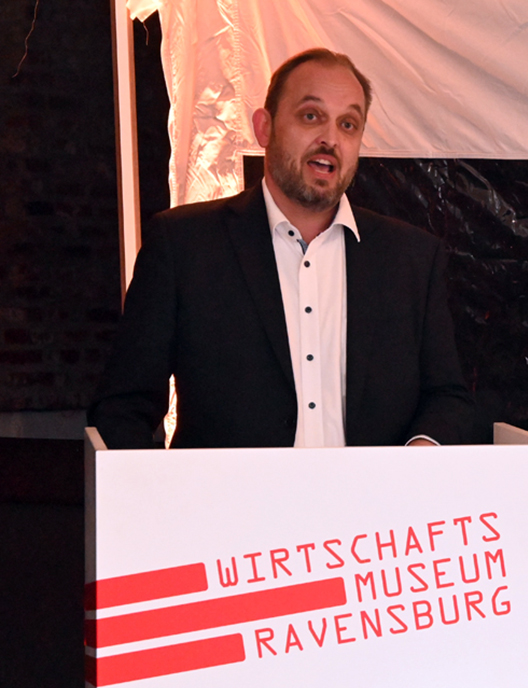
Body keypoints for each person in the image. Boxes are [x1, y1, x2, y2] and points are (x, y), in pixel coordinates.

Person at [88, 48, 473, 449]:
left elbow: (448, 398)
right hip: (227, 492)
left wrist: (419, 455)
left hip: (375, 492)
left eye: (348, 124)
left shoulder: (411, 258)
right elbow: (122, 407)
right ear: (264, 128)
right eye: (311, 116)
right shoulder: (183, 245)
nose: (330, 139)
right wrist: (166, 486)